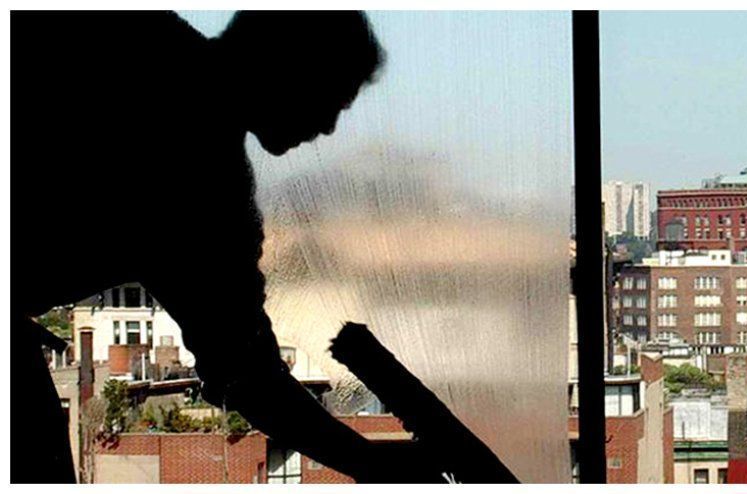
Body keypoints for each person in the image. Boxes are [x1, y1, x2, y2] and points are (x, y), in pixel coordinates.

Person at [11, 11, 432, 483]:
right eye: (334, 97)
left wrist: (367, 462)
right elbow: (249, 376)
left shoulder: (127, 30)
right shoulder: (213, 200)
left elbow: (247, 372)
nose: (331, 126)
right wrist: (369, 463)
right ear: (291, 66)